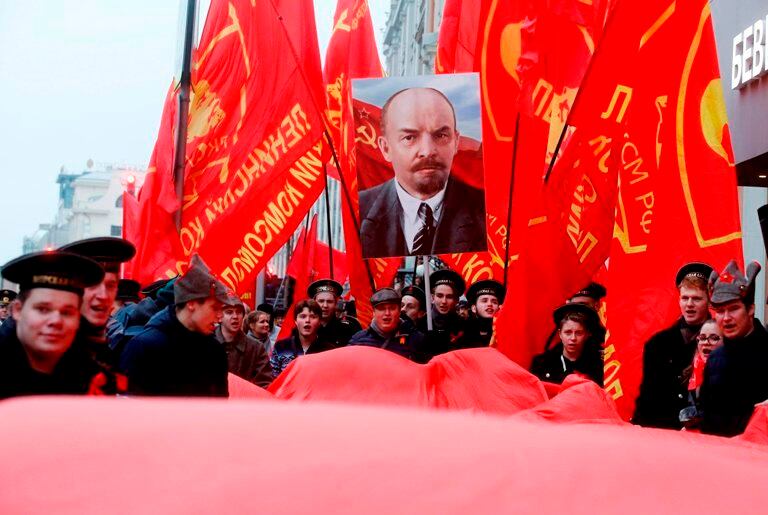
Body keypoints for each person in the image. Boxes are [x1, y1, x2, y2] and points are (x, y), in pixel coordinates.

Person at [358, 87, 486, 258]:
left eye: (440, 135)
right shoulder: (359, 212)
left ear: (456, 142)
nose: (427, 151)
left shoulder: (485, 214)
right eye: (409, 137)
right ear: (386, 148)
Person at [0, 251, 124, 398]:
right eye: (43, 309)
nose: (56, 321)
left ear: (78, 317)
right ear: (17, 310)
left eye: (67, 312)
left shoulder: (96, 378)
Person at [120, 254, 230, 397]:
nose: (220, 316)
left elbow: (221, 409)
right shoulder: (142, 347)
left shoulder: (215, 352)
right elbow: (125, 410)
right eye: (215, 308)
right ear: (191, 303)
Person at [632, 262, 713, 430]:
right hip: (665, 435)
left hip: (706, 435)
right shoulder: (657, 344)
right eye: (685, 298)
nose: (689, 304)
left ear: (709, 300)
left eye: (696, 298)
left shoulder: (721, 341)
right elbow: (648, 397)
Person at [699, 260, 768, 436]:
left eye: (733, 309)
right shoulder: (715, 359)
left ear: (751, 308)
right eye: (720, 311)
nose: (726, 318)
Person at [58, 237, 136, 368]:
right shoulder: (43, 342)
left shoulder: (119, 341)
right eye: (92, 284)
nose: (103, 295)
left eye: (110, 285)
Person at [530, 303, 604, 386]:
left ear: (588, 334)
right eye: (568, 332)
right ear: (560, 334)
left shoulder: (599, 364)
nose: (573, 338)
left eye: (579, 333)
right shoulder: (542, 363)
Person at [349, 288, 428, 363]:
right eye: (381, 308)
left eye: (392, 308)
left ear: (399, 311)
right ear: (373, 312)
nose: (387, 313)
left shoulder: (416, 339)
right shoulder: (358, 340)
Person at [215, 294, 272, 388]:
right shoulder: (204, 343)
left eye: (239, 312)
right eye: (229, 312)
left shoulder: (256, 348)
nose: (235, 316)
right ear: (219, 316)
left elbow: (265, 384)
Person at [678, 319, 723, 428]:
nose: (706, 342)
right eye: (702, 338)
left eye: (714, 338)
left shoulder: (730, 373)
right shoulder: (687, 372)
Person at [270, 299, 333, 378]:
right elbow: (272, 379)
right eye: (303, 316)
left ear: (319, 321)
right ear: (296, 321)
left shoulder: (329, 350)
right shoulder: (281, 347)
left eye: (313, 317)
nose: (307, 320)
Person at [308, 279, 361, 348]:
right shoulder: (306, 327)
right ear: (314, 303)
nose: (325, 305)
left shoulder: (349, 328)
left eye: (329, 301)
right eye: (321, 301)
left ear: (335, 304)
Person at [455, 280, 505, 349]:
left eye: (494, 302)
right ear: (474, 308)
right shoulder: (463, 335)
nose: (489, 304)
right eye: (484, 301)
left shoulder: (504, 334)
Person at [428, 268, 466, 346]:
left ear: (456, 300)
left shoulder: (465, 326)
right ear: (432, 298)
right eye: (439, 296)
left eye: (449, 297)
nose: (444, 301)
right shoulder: (421, 324)